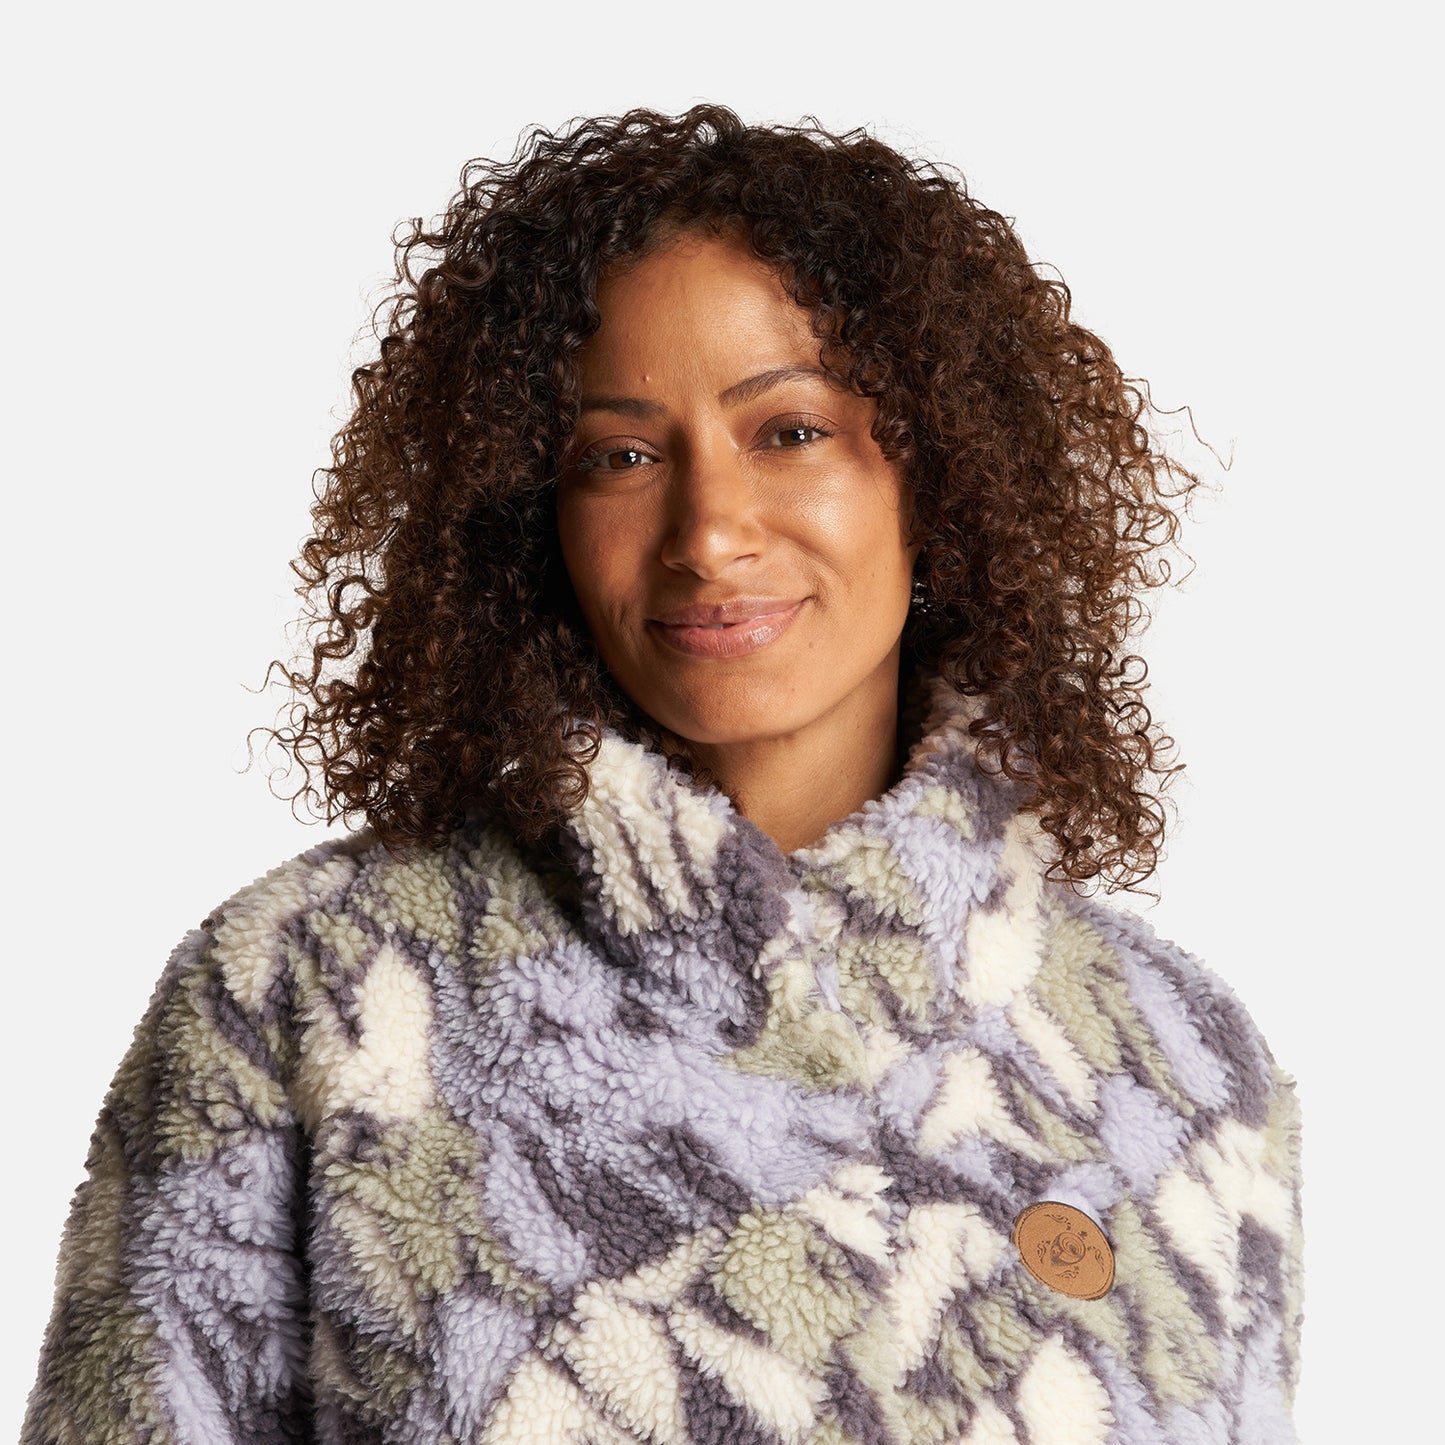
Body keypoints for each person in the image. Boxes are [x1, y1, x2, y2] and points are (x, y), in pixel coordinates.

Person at [22, 105, 1303, 1444]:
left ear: (941, 481)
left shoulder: (1178, 1068)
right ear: (535, 519)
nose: (708, 531)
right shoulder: (306, 987)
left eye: (788, 431)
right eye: (620, 455)